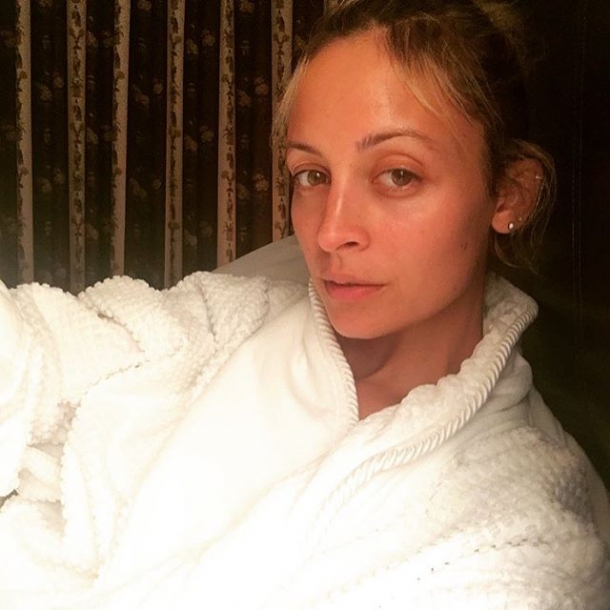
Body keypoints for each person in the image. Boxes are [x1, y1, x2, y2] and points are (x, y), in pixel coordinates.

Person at [1, 0, 609, 608]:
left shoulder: (523, 534)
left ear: (509, 194)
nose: (329, 232)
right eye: (312, 175)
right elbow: (34, 347)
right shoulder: (228, 318)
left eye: (398, 175)